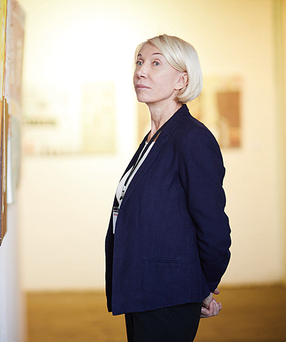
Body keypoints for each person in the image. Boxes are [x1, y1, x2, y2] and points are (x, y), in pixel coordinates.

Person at [105, 34, 231, 342]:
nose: (141, 71)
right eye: (139, 62)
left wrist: (202, 287)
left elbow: (213, 228)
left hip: (168, 294)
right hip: (144, 291)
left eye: (155, 63)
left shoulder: (192, 139)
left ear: (181, 80)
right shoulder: (153, 140)